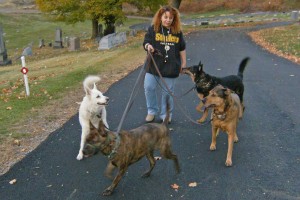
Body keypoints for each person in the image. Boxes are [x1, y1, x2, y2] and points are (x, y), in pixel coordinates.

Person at [143, 5, 186, 123]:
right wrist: (148, 46)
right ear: (160, 17)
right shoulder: (153, 29)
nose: (168, 20)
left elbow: (182, 48)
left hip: (171, 67)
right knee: (148, 87)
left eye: (170, 18)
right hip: (154, 65)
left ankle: (166, 114)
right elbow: (146, 42)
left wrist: (184, 63)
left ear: (174, 19)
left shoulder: (177, 32)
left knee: (167, 92)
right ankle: (151, 111)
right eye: (165, 17)